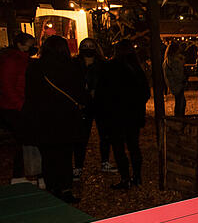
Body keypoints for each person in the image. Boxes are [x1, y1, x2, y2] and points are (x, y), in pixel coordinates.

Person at [23, 35, 88, 203]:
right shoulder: (72, 66)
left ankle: (52, 189)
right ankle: (66, 189)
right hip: (66, 118)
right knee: (65, 156)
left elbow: (30, 94)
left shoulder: (35, 67)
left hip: (43, 119)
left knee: (48, 156)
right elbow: (80, 92)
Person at [96, 39, 150, 189]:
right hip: (132, 115)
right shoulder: (136, 69)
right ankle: (137, 177)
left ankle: (125, 178)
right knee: (134, 146)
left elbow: (101, 93)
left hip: (115, 116)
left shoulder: (110, 68)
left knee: (119, 148)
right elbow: (145, 93)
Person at [0, 32, 36, 182]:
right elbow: (7, 86)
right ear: (20, 45)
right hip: (12, 107)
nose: (32, 48)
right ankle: (18, 174)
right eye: (30, 45)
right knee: (23, 140)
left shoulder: (22, 59)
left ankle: (22, 173)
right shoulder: (12, 60)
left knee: (23, 140)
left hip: (18, 104)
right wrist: (20, 104)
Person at [72, 38, 110, 178]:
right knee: (81, 136)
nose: (88, 48)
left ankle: (105, 161)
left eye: (91, 46)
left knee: (104, 135)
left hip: (100, 104)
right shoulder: (75, 64)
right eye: (85, 46)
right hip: (83, 104)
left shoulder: (103, 65)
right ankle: (78, 166)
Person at [163, 42, 186, 117]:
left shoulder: (167, 60)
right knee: (180, 103)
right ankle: (179, 118)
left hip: (173, 84)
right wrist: (183, 78)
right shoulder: (174, 61)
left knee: (180, 102)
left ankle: (178, 118)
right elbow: (178, 74)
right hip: (177, 84)